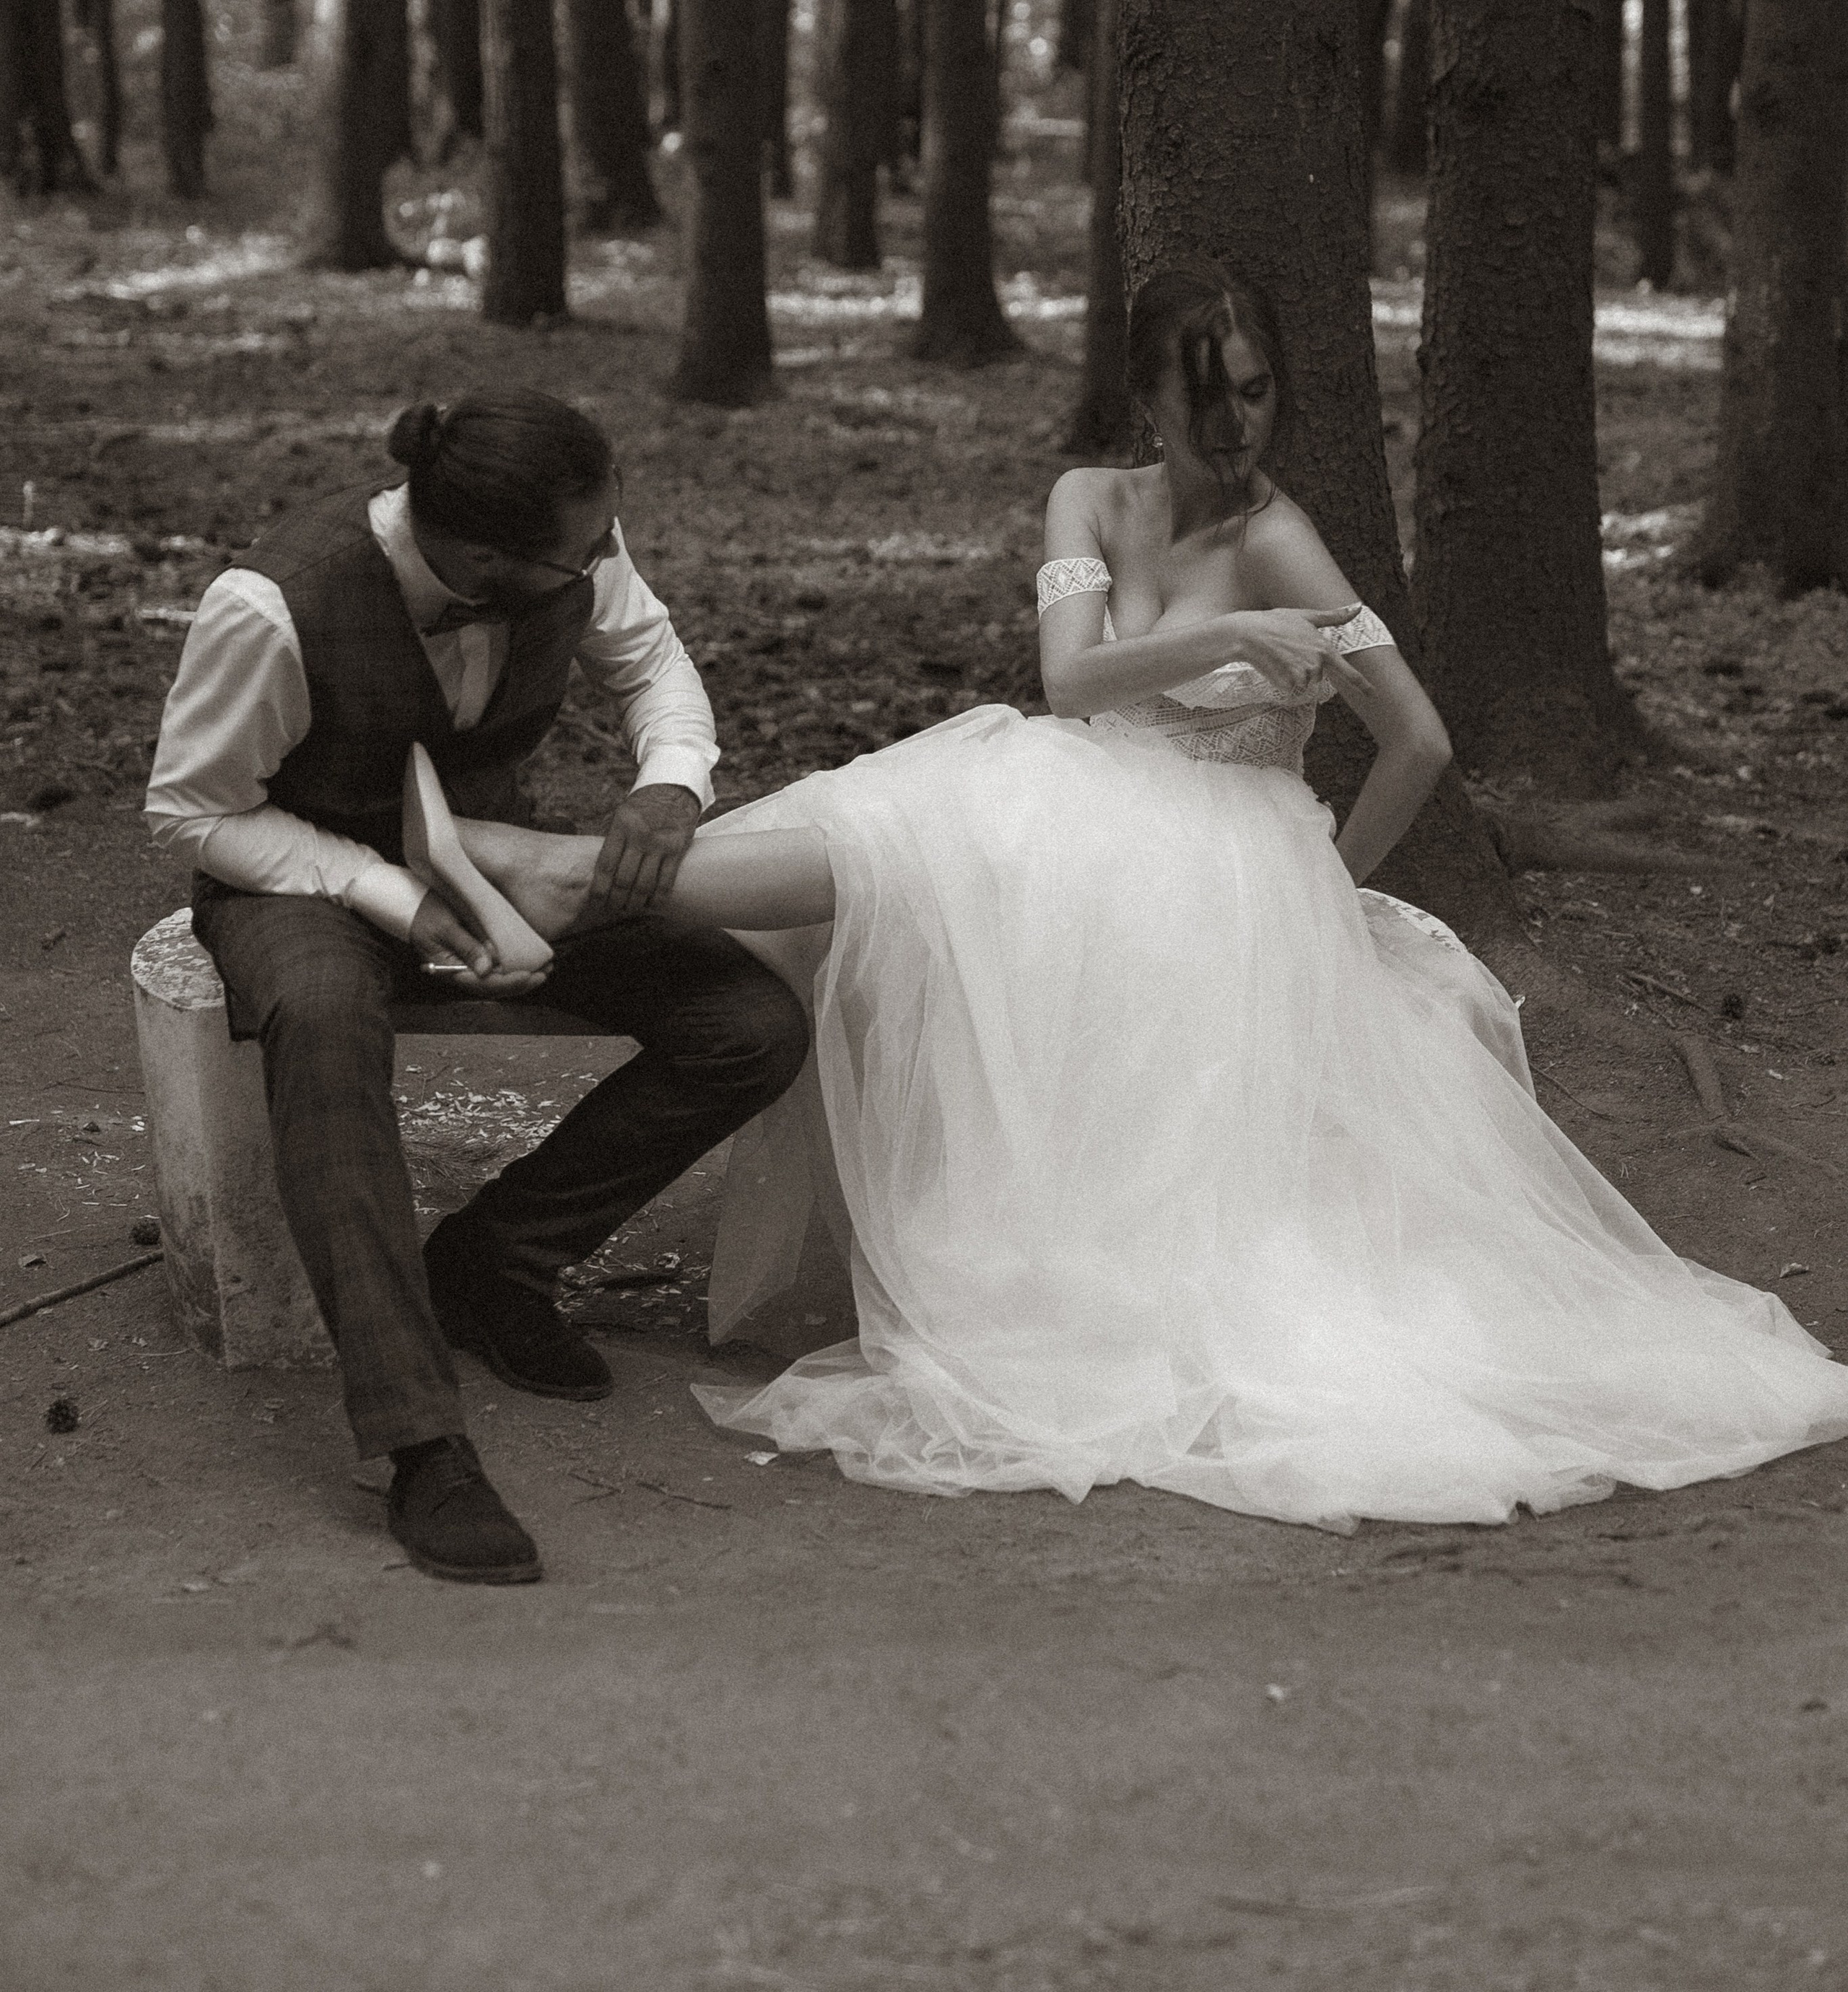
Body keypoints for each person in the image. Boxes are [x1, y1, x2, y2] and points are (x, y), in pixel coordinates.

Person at [445, 268, 1848, 1532]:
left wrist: (1317, 886)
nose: (1232, 425)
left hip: (1220, 853)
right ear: (1143, 404)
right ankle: (557, 874)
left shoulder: (1283, 541)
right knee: (893, 824)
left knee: (938, 844)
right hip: (1082, 786)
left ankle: (549, 870)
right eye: (1201, 398)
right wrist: (1225, 635)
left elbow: (1417, 743)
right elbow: (1063, 681)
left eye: (1252, 394)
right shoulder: (1087, 505)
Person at [144, 391, 808, 1584]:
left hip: (494, 860)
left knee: (749, 1023)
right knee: (327, 1027)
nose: (606, 559)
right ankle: (419, 1441)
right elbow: (196, 809)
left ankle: (497, 1256)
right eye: (585, 550)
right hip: (301, 878)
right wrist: (392, 898)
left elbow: (655, 666)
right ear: (486, 557)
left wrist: (672, 784)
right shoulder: (271, 609)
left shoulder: (567, 552)